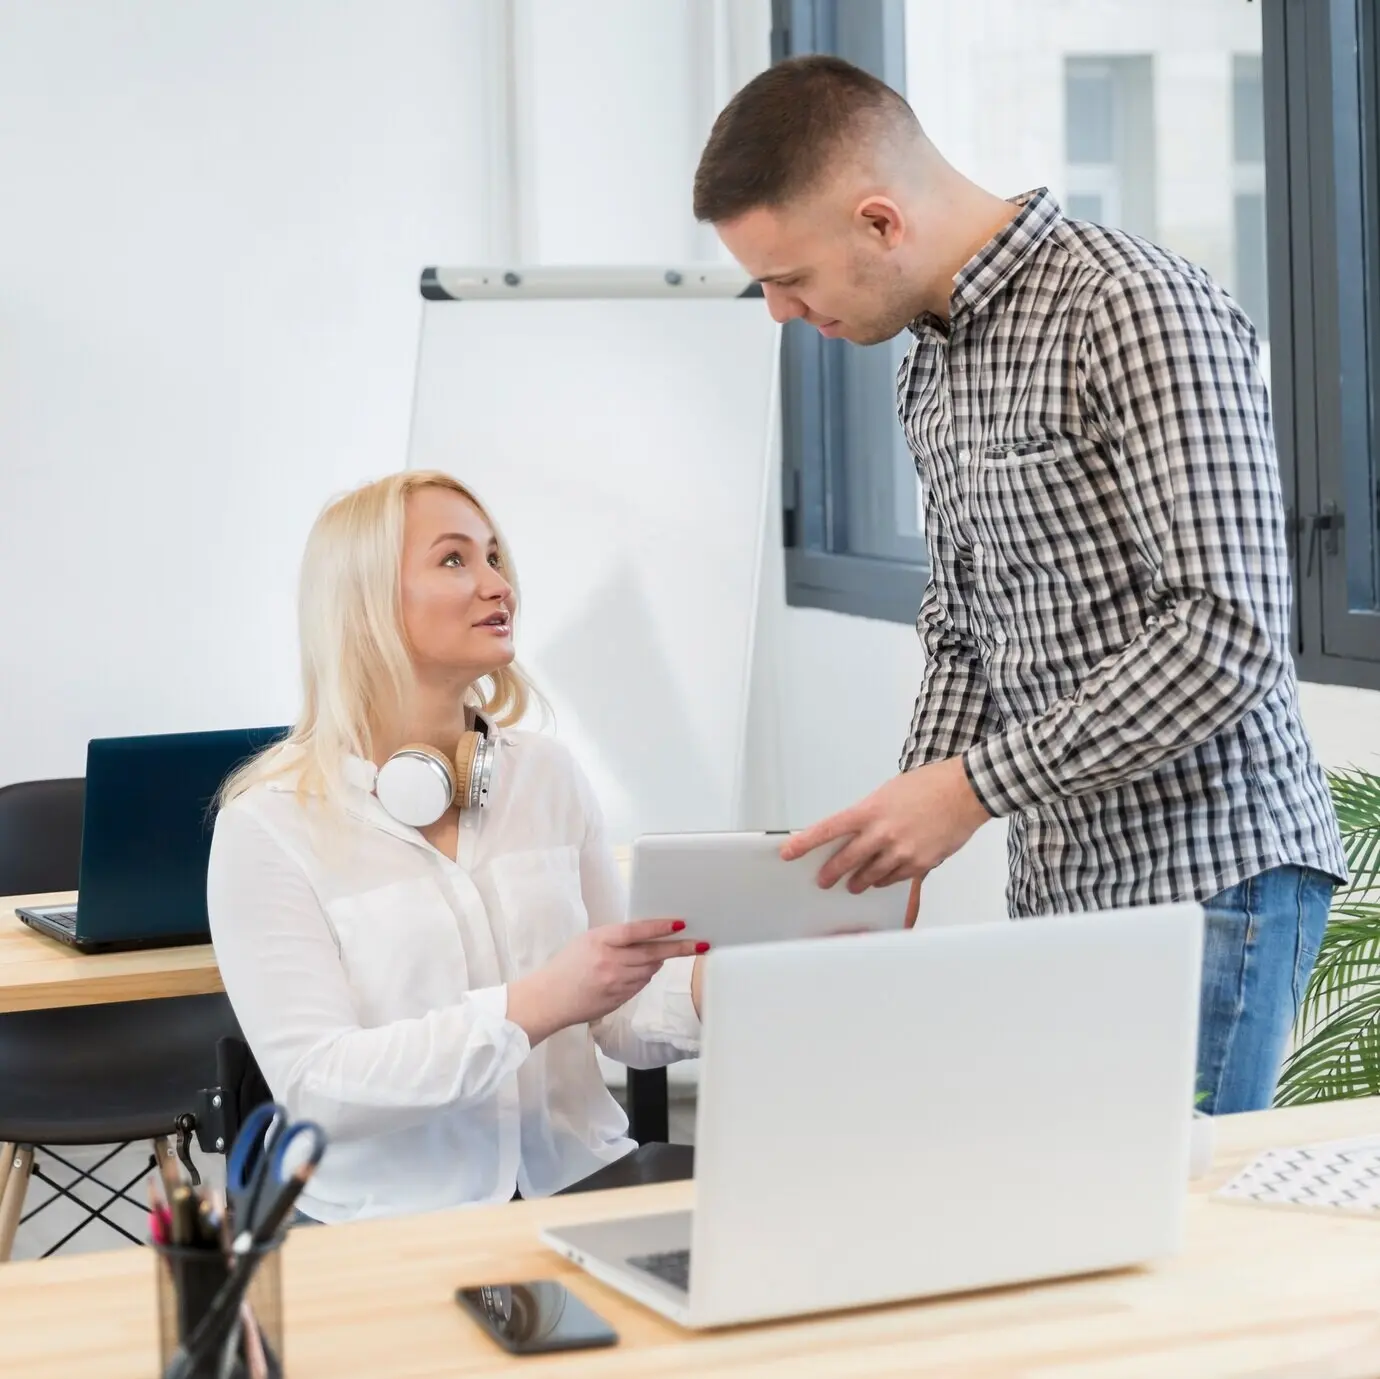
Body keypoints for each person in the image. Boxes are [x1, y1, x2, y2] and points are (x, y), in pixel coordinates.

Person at [693, 55, 1345, 1114]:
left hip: (1211, 874)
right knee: (1071, 1199)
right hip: (1063, 876)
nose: (777, 310)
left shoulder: (1132, 307)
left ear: (880, 221)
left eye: (790, 277)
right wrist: (898, 830)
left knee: (1165, 1210)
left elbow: (1228, 635)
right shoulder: (928, 361)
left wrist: (966, 791)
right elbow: (964, 625)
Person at [207, 470, 706, 1222]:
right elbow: (318, 1087)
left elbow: (618, 1013)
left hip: (579, 1184)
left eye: (495, 557)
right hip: (390, 1221)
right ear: (365, 602)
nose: (497, 585)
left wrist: (725, 985)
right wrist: (533, 1004)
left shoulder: (548, 775)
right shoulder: (268, 824)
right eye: (454, 559)